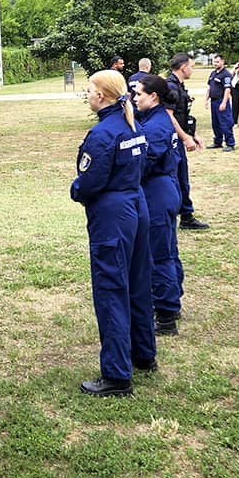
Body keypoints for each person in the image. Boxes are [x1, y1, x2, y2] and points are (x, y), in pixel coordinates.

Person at [71, 70, 156, 396]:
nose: (87, 95)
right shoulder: (132, 125)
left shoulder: (103, 134)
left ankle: (117, 374)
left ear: (101, 96)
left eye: (89, 90)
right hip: (136, 203)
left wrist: (75, 190)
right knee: (137, 282)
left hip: (113, 213)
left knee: (111, 288)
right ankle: (143, 354)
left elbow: (90, 181)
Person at [133, 75, 183, 337]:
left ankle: (165, 314)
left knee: (159, 254)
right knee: (168, 249)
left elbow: (145, 162)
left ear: (153, 97)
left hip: (157, 191)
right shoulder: (158, 118)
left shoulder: (155, 127)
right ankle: (172, 300)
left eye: (139, 94)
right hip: (165, 187)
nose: (134, 98)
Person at [164, 53, 208, 231]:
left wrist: (193, 134)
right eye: (191, 66)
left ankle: (186, 216)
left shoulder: (179, 86)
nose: (192, 70)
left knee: (182, 178)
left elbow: (182, 115)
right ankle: (180, 215)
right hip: (171, 141)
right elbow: (169, 116)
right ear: (183, 67)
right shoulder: (171, 87)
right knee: (176, 178)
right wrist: (185, 137)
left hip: (179, 137)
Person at [206, 54, 235, 151]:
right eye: (214, 62)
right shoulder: (213, 73)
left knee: (225, 123)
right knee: (215, 123)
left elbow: (227, 89)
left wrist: (224, 102)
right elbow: (209, 87)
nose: (215, 64)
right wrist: (206, 99)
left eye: (217, 62)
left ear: (222, 62)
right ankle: (217, 142)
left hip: (221, 101)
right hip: (213, 102)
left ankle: (230, 143)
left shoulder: (226, 74)